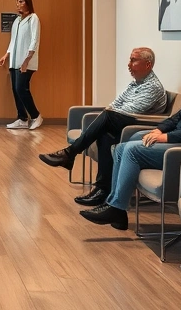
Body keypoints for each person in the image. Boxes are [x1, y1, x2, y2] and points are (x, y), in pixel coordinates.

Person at [79, 43, 181, 230]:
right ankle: (115, 208)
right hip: (180, 139)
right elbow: (179, 115)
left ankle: (116, 207)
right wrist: (161, 129)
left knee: (132, 151)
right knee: (122, 146)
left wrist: (167, 138)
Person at [38, 48, 167, 206]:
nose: (128, 64)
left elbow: (132, 111)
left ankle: (70, 153)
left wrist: (111, 112)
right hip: (127, 124)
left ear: (147, 64)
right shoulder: (135, 84)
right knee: (105, 135)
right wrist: (111, 111)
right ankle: (101, 190)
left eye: (133, 60)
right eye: (130, 59)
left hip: (139, 130)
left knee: (107, 117)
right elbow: (115, 104)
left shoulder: (153, 87)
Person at [0, 0, 42, 130]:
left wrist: (26, 60)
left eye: (21, 1)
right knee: (15, 90)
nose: (18, 4)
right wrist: (6, 55)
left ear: (28, 3)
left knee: (21, 89)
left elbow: (35, 41)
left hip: (26, 62)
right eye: (17, 1)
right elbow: (13, 40)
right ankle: (22, 119)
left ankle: (36, 116)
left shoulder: (33, 19)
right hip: (14, 61)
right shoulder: (17, 20)